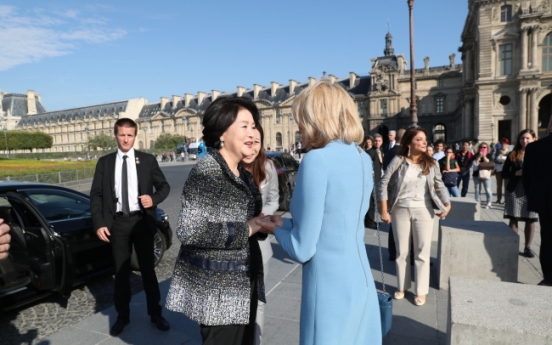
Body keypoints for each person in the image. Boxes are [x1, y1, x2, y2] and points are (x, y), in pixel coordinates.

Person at [256, 80, 382, 344]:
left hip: (329, 285)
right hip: (360, 277)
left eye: (301, 119)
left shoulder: (317, 159)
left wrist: (275, 228)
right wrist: (285, 223)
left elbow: (303, 249)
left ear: (317, 118)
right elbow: (336, 223)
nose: (299, 127)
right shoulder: (361, 156)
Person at [165, 97, 266, 345]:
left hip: (243, 281)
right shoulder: (207, 171)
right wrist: (248, 228)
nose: (253, 133)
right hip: (218, 292)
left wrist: (262, 224)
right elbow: (189, 231)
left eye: (253, 125)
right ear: (222, 133)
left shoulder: (240, 171)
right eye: (244, 126)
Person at [90, 118, 171, 336]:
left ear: (135, 136)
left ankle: (155, 313)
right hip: (117, 224)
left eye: (130, 135)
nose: (126, 139)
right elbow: (96, 195)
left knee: (148, 271)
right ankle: (122, 316)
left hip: (141, 221)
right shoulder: (105, 163)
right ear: (115, 135)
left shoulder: (146, 160)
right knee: (121, 272)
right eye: (122, 135)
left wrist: (153, 200)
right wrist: (99, 223)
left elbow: (164, 186)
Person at [377, 127, 450, 307]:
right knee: (402, 252)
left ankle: (421, 290)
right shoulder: (399, 160)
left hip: (424, 211)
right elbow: (383, 183)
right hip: (400, 209)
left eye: (425, 139)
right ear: (409, 143)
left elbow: (439, 185)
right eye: (419, 139)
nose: (425, 142)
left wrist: (447, 203)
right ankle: (402, 287)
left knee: (422, 252)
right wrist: (384, 210)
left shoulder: (432, 163)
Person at [241, 125, 279, 345]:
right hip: (236, 241)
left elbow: (274, 198)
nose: (253, 146)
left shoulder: (267, 165)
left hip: (260, 241)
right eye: (249, 140)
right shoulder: (231, 167)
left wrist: (266, 213)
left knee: (259, 300)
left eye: (257, 141)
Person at [523, 117, 552, 286]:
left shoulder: (534, 148)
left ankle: (548, 277)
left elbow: (527, 178)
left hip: (545, 203)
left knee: (547, 240)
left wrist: (534, 197)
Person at [502, 129, 538, 258]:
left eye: (528, 138)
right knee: (514, 218)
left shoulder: (539, 153)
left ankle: (527, 247)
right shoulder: (513, 154)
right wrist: (515, 173)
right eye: (522, 138)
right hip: (515, 190)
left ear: (534, 139)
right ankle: (513, 245)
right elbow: (504, 173)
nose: (525, 140)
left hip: (531, 191)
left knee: (530, 220)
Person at [382, 129, 406, 262]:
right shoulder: (402, 153)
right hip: (400, 190)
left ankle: (392, 251)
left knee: (394, 223)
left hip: (390, 190)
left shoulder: (388, 152)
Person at [365, 133, 384, 229]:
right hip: (371, 180)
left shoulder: (377, 151)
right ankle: (369, 221)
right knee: (371, 201)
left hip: (376, 179)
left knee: (372, 201)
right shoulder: (370, 153)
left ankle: (371, 220)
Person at [472, 142, 493, 209]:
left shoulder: (489, 155)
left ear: (487, 148)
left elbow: (490, 165)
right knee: (477, 189)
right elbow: (475, 167)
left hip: (486, 174)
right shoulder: (475, 155)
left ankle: (489, 202)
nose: (482, 148)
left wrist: (484, 157)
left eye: (484, 147)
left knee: (487, 189)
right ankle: (477, 202)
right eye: (481, 147)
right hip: (476, 175)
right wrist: (478, 157)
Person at [493, 138, 510, 204]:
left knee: (506, 186)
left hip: (507, 170)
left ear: (507, 145)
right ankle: (498, 199)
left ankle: (506, 199)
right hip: (498, 170)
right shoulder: (497, 151)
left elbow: (510, 161)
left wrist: (500, 160)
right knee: (499, 185)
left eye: (505, 144)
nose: (503, 145)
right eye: (502, 143)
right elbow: (494, 159)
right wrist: (504, 161)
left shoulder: (510, 152)